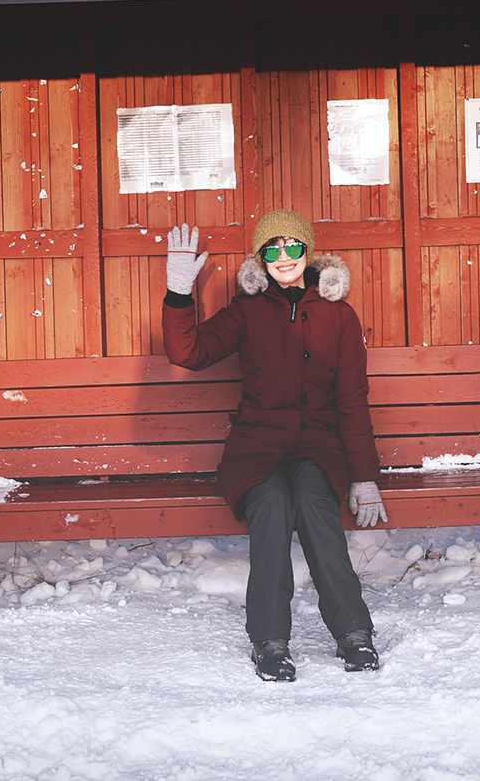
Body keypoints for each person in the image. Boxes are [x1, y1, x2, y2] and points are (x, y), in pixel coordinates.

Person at [161, 210, 389, 681]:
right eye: (271, 249)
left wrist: (364, 476)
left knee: (312, 500)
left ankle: (353, 632)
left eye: (292, 247)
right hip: (257, 449)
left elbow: (352, 398)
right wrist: (179, 294)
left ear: (308, 252)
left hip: (317, 448)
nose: (283, 257)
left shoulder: (339, 315)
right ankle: (269, 639)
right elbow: (189, 353)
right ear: (260, 259)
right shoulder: (247, 311)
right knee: (272, 504)